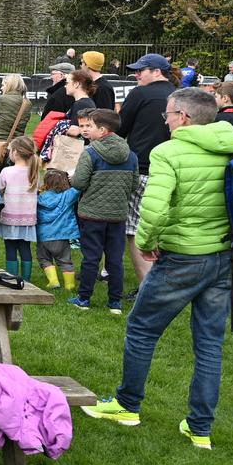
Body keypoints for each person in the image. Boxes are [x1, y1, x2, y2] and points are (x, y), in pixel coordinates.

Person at [84, 88, 233, 450]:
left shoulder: (169, 151)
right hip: (224, 256)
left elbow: (153, 210)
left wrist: (145, 241)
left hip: (182, 256)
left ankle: (128, 405)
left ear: (184, 117)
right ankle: (200, 427)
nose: (167, 121)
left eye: (168, 115)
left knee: (142, 329)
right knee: (209, 346)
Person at [69, 108, 136, 312]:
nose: (89, 129)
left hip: (92, 214)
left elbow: (79, 183)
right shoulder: (131, 154)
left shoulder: (91, 152)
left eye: (92, 126)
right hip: (117, 214)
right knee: (115, 258)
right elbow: (134, 185)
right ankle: (115, 301)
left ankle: (84, 298)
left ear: (103, 130)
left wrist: (72, 178)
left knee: (91, 257)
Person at [118, 53, 177, 285]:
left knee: (135, 228)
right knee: (164, 227)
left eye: (140, 70)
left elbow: (120, 128)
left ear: (156, 72)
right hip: (174, 169)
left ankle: (147, 287)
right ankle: (164, 280)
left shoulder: (140, 93)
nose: (136, 75)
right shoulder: (178, 94)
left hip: (143, 168)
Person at [0, 136, 42, 286]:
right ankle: (27, 280)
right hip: (28, 218)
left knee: (10, 248)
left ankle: (12, 277)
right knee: (25, 248)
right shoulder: (35, 172)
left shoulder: (7, 172)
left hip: (10, 216)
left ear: (15, 152)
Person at [36, 169, 80, 290]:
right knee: (65, 261)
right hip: (61, 236)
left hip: (43, 237)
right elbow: (79, 188)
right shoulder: (67, 196)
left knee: (44, 259)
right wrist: (73, 178)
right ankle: (69, 285)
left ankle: (53, 281)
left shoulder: (40, 198)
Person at [0, 74, 33, 146]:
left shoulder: (2, 99)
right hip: (17, 143)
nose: (1, 88)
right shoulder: (27, 103)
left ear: (9, 85)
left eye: (3, 85)